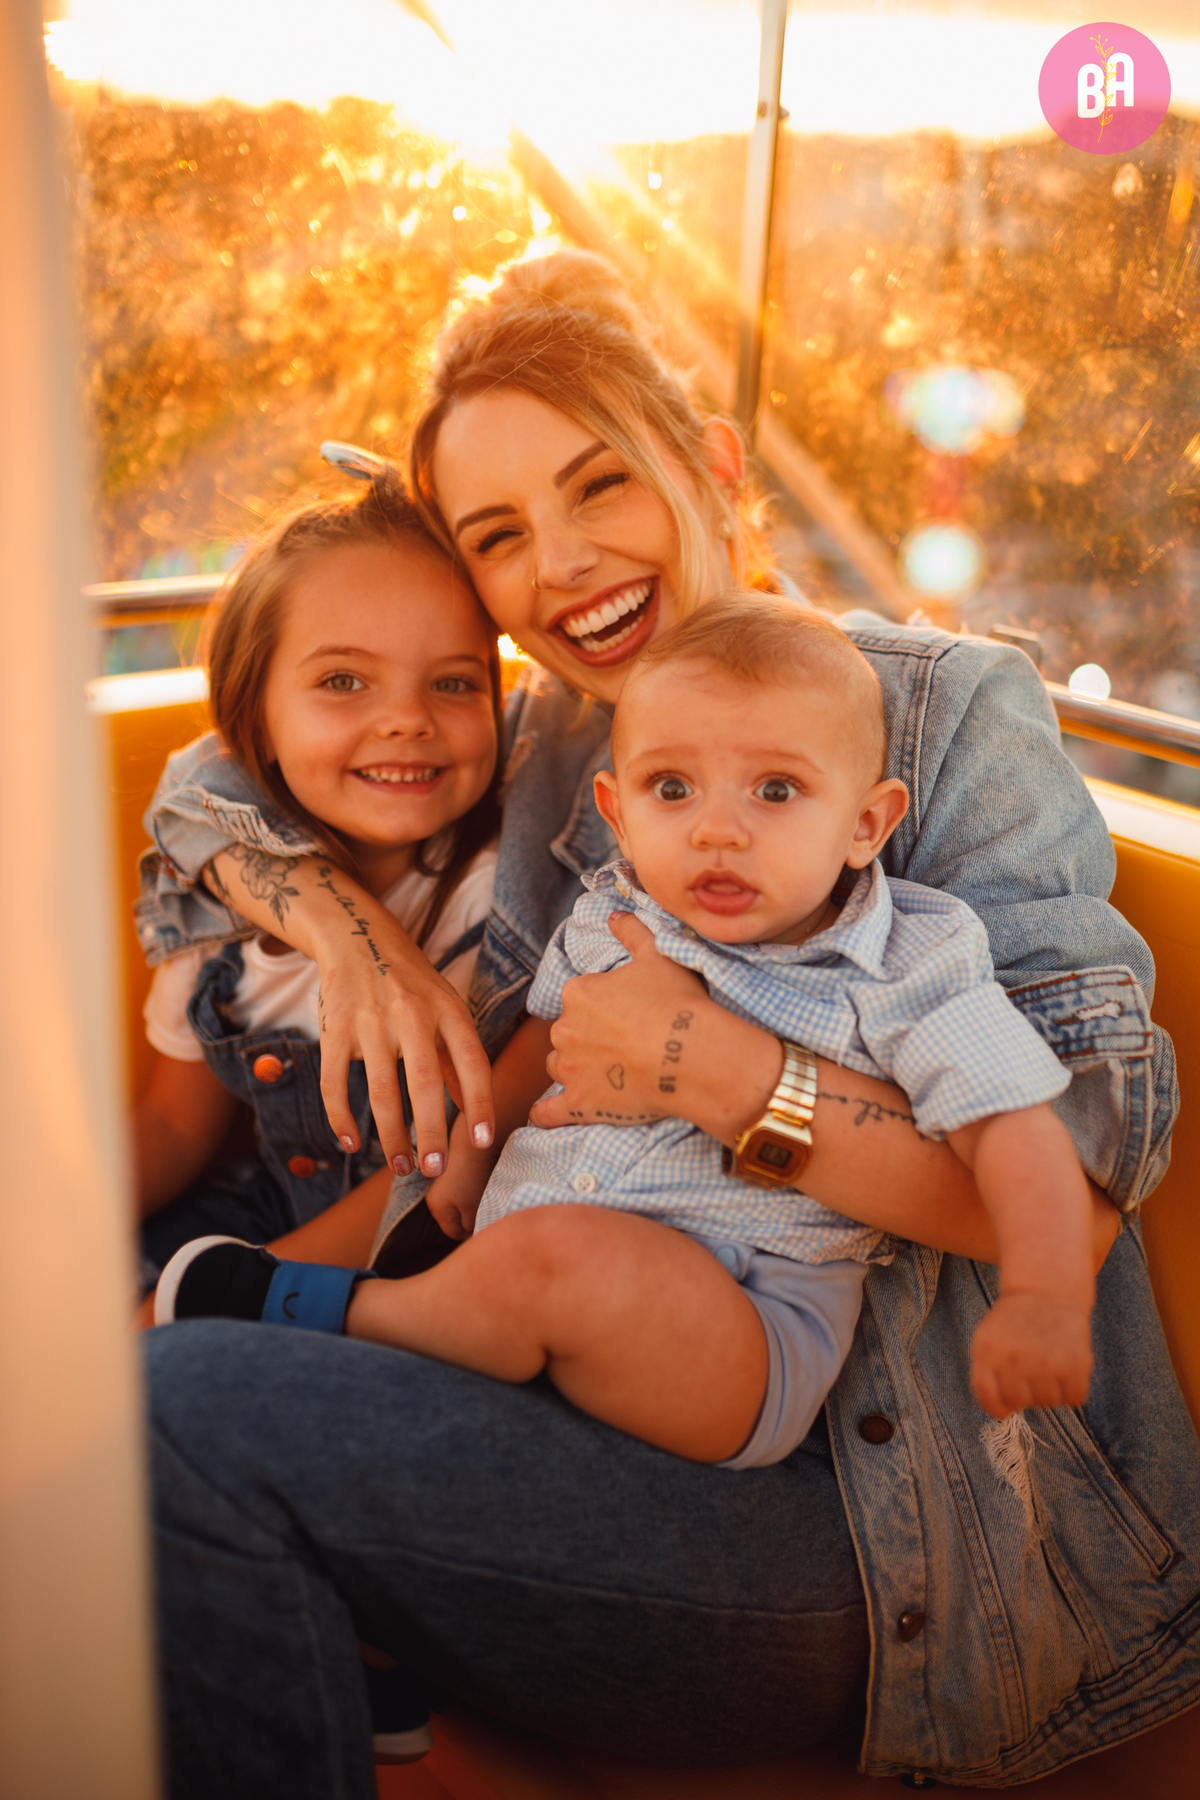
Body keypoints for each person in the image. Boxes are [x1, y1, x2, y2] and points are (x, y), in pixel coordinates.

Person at [142, 251, 1200, 1795]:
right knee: (87, 1378)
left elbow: (1071, 1195)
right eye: (500, 537)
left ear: (707, 465)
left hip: (887, 1530)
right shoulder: (572, 740)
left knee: (174, 1422)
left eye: (599, 488)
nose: (565, 567)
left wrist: (722, 1073)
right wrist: (346, 932)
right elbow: (212, 782)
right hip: (577, 1369)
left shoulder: (943, 716)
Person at [156, 595, 1095, 1468]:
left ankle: (341, 1316)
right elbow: (540, 1047)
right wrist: (473, 1158)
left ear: (866, 823)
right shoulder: (613, 912)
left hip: (744, 1329)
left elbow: (1013, 1126)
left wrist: (1046, 1298)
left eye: (775, 791)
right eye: (673, 789)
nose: (716, 831)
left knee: (556, 1263)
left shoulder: (907, 964)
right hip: (534, 1282)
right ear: (616, 812)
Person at [133, 477, 502, 1283]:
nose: (408, 717)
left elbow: (436, 1187)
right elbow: (173, 1122)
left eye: (455, 681)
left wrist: (231, 1296)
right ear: (254, 717)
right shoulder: (215, 903)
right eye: (344, 681)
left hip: (421, 1262)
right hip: (256, 1214)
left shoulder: (492, 905)